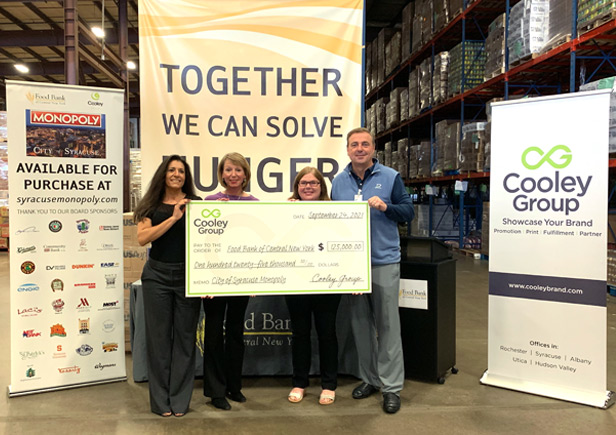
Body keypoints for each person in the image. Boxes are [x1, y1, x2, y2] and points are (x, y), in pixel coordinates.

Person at [330, 127, 414, 414]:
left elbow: (407, 211)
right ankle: (370, 379)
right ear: (348, 149)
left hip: (383, 261)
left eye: (365, 144)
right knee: (360, 325)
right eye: (354, 144)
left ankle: (391, 388)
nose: (360, 149)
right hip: (351, 265)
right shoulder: (338, 182)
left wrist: (386, 207)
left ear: (373, 148)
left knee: (388, 326)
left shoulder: (390, 177)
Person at [133, 155, 202, 417]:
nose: (176, 174)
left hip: (188, 277)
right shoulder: (149, 205)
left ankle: (180, 401)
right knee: (159, 340)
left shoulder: (196, 204)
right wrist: (173, 218)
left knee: (185, 340)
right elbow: (143, 239)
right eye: (172, 170)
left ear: (186, 176)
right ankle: (161, 402)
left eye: (181, 171)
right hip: (157, 277)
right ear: (163, 173)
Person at [202, 152, 258, 411]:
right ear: (221, 174)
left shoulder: (256, 203)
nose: (233, 174)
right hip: (214, 278)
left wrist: (256, 279)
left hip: (241, 278)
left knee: (236, 331)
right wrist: (203, 281)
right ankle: (216, 391)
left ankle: (234, 386)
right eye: (228, 170)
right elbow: (202, 244)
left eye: (238, 170)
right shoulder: (210, 201)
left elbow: (259, 243)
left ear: (245, 174)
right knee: (213, 332)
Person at [285, 167, 341, 406]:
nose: (308, 187)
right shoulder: (285, 211)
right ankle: (300, 382)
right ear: (297, 187)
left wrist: (355, 275)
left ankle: (329, 385)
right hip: (296, 282)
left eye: (313, 183)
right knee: (300, 334)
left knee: (327, 333)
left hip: (327, 283)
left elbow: (346, 242)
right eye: (303, 183)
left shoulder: (336, 211)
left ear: (321, 187)